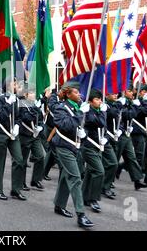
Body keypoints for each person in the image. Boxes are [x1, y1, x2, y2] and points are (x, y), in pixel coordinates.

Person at [50, 83, 94, 228]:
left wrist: (84, 134)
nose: (79, 95)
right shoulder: (60, 108)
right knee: (75, 178)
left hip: (76, 147)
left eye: (79, 92)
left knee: (66, 176)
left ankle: (59, 204)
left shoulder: (78, 106)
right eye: (76, 92)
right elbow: (66, 125)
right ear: (68, 95)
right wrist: (80, 113)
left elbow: (83, 127)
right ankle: (81, 215)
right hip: (63, 146)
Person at [0, 80, 25, 201]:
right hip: (1, 133)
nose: (16, 86)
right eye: (14, 83)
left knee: (19, 159)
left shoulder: (17, 99)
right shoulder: (0, 98)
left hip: (13, 134)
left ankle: (15, 190)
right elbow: (0, 115)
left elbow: (20, 117)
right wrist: (8, 104)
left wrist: (17, 126)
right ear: (8, 85)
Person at [115, 85, 147, 190]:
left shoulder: (130, 102)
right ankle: (107, 183)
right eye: (130, 91)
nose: (132, 93)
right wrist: (135, 106)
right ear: (124, 92)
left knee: (132, 158)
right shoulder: (120, 103)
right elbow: (128, 115)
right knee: (114, 160)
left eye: (132, 91)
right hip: (119, 135)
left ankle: (137, 181)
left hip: (127, 134)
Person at [80, 89, 107, 213]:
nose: (100, 101)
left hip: (98, 146)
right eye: (97, 99)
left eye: (100, 99)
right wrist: (102, 112)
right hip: (88, 146)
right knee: (99, 171)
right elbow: (100, 123)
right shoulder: (88, 112)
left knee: (91, 172)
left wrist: (105, 138)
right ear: (90, 102)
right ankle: (93, 199)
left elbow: (104, 128)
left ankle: (84, 197)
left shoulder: (100, 110)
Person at [18, 84, 45, 191]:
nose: (34, 95)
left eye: (34, 93)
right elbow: (26, 117)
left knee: (40, 156)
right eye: (32, 93)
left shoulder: (34, 105)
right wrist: (35, 109)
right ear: (26, 94)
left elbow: (41, 120)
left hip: (35, 135)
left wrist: (41, 127)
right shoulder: (22, 104)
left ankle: (36, 180)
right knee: (23, 161)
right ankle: (21, 182)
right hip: (25, 135)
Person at [102, 93, 121, 199]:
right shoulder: (106, 106)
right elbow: (113, 114)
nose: (115, 95)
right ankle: (104, 187)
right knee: (107, 164)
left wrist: (120, 130)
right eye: (112, 93)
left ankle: (105, 185)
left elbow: (120, 118)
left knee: (112, 163)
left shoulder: (114, 105)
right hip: (103, 138)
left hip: (113, 137)